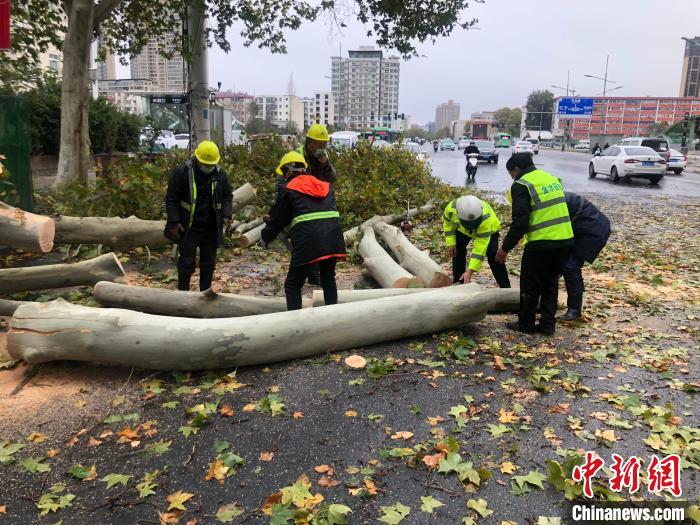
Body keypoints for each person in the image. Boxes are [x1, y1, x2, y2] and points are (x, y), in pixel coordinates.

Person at [496, 153, 574, 335]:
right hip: (564, 239)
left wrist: (505, 248)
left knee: (530, 284)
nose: (512, 178)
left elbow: (520, 222)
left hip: (541, 242)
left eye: (511, 174)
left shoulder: (522, 184)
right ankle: (548, 325)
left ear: (516, 169)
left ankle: (526, 324)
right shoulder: (551, 178)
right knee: (550, 283)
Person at [261, 151, 346, 311]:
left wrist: (265, 237)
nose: (283, 177)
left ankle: (298, 329)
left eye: (284, 173)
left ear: (289, 171)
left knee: (292, 285)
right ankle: (333, 318)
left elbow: (278, 221)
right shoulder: (323, 185)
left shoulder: (288, 189)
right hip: (333, 238)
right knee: (328, 278)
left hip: (309, 243)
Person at [165, 140, 233, 292]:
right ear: (197, 159)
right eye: (206, 164)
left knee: (208, 263)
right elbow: (172, 198)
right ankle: (183, 294)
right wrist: (174, 221)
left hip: (211, 227)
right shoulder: (182, 173)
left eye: (211, 165)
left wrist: (227, 214)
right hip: (189, 226)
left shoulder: (220, 174)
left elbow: (227, 196)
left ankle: (205, 295)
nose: (208, 168)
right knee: (186, 262)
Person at [560, 192, 611, 320]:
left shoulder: (554, 204)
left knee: (570, 267)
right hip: (580, 228)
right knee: (561, 263)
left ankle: (574, 310)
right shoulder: (549, 199)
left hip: (592, 230)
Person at [443, 195, 511, 288]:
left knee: (493, 254)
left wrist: (470, 271)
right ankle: (459, 281)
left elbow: (479, 249)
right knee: (457, 249)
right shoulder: (451, 209)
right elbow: (447, 224)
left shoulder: (485, 220)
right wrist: (451, 243)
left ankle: (505, 287)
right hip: (463, 229)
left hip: (489, 229)